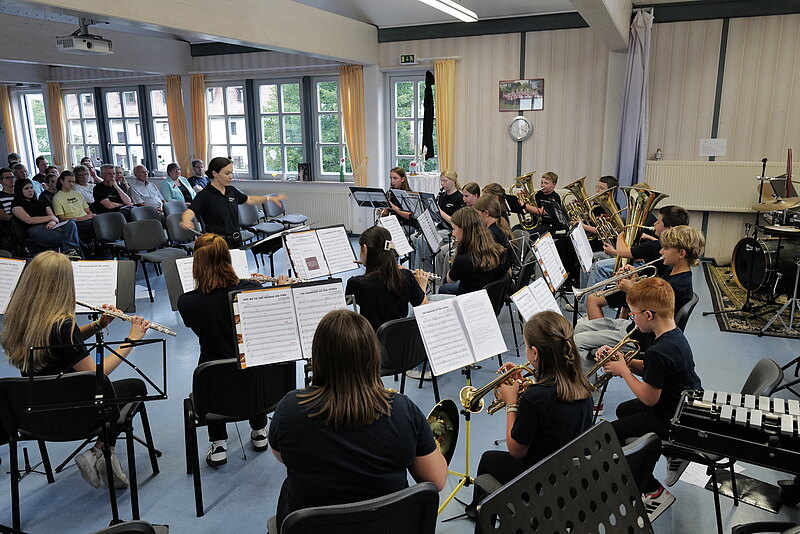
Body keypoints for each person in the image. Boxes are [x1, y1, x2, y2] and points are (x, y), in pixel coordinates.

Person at [268, 309, 447, 526]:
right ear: (373, 355)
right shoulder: (403, 410)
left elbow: (282, 456)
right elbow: (437, 480)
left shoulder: (289, 409)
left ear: (319, 357)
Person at [0, 250, 151, 489]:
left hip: (37, 415)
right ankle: (98, 451)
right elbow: (97, 375)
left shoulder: (19, 320)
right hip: (74, 415)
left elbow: (59, 342)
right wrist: (131, 340)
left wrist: (98, 324)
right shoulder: (63, 325)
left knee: (112, 394)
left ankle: (105, 454)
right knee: (133, 387)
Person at [177, 233, 286, 466]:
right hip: (258, 384)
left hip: (216, 384)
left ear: (196, 264)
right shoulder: (252, 289)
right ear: (227, 258)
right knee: (249, 361)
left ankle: (219, 444)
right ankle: (259, 431)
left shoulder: (187, 302)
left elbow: (197, 324)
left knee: (213, 366)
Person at [469, 311, 593, 513]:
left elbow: (516, 451)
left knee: (488, 459)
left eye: (526, 346)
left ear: (535, 353)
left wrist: (511, 403)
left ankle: (480, 513)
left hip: (539, 478)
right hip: (569, 473)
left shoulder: (535, 397)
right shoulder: (582, 383)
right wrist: (531, 381)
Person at [600, 277, 702, 511]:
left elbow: (648, 397)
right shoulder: (672, 336)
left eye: (633, 314)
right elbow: (652, 370)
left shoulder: (659, 351)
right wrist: (623, 360)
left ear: (648, 315)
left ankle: (652, 489)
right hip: (682, 407)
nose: (631, 318)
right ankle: (658, 452)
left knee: (611, 434)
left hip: (670, 417)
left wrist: (624, 371)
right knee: (623, 410)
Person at [585, 206, 691, 319]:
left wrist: (632, 289)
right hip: (644, 291)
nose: (661, 251)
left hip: (643, 308)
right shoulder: (673, 274)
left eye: (658, 222)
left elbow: (653, 311)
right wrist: (635, 277)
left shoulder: (676, 285)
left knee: (592, 298)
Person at [179, 157, 285, 249]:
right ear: (215, 174)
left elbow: (249, 199)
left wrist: (269, 199)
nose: (231, 176)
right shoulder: (205, 195)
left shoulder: (231, 190)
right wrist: (186, 219)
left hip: (236, 240)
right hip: (218, 243)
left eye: (231, 172)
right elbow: (190, 211)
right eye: (227, 173)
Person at [345, 226, 428, 331]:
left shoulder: (356, 283)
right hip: (401, 338)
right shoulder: (406, 276)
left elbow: (346, 305)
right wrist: (422, 285)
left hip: (371, 339)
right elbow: (423, 308)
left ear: (365, 250)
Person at [436, 207, 508, 296]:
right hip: (492, 298)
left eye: (454, 229)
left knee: (443, 289)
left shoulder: (462, 260)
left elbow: (450, 280)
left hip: (470, 301)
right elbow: (508, 274)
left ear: (463, 230)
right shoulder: (500, 250)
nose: (453, 234)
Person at [11, 179, 83, 257]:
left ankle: (71, 253)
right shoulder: (16, 204)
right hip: (34, 229)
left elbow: (54, 218)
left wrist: (52, 221)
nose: (30, 190)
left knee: (71, 223)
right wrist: (50, 218)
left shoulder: (40, 202)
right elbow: (29, 220)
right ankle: (75, 256)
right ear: (20, 190)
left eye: (31, 188)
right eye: (26, 188)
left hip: (51, 227)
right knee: (71, 237)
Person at [52, 171, 96, 243]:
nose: (72, 184)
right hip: (73, 223)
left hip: (86, 219)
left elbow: (87, 210)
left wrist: (91, 216)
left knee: (102, 221)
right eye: (69, 181)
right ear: (61, 181)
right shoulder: (57, 197)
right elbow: (62, 219)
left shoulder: (77, 194)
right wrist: (79, 219)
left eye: (73, 182)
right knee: (97, 226)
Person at [518, 171, 566, 236]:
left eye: (546, 183)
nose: (542, 185)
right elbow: (532, 208)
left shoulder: (554, 197)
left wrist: (524, 205)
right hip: (537, 222)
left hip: (549, 225)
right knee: (515, 229)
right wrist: (524, 199)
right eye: (542, 182)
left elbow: (541, 212)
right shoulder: (539, 194)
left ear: (554, 185)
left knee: (528, 234)